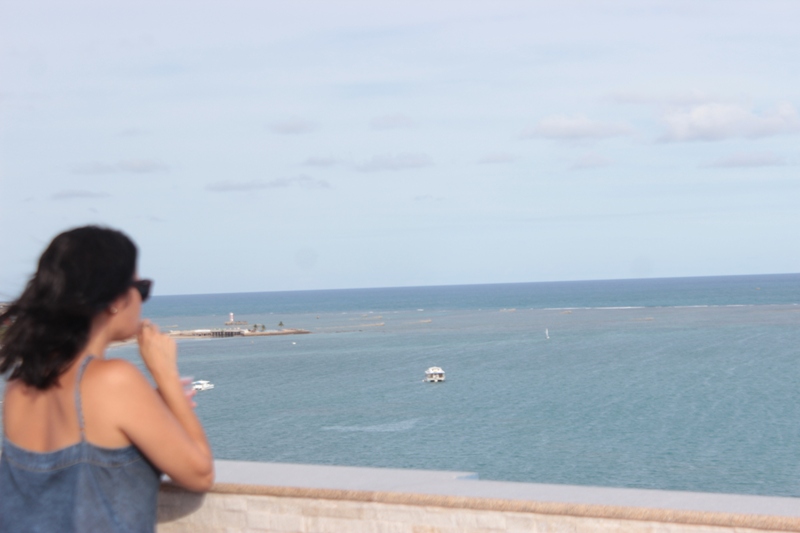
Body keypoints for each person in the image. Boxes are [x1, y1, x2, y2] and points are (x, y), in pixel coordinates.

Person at [0, 226, 214, 532]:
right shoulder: (114, 379)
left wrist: (151, 405)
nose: (142, 301)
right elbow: (200, 474)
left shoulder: (20, 383)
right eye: (141, 288)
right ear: (115, 299)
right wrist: (166, 373)